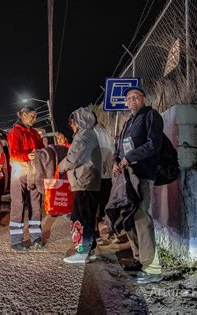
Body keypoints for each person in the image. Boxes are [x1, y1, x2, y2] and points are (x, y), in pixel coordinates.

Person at [113, 87, 163, 284]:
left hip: (143, 174)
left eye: (136, 97)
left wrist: (129, 158)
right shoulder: (128, 122)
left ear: (144, 99)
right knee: (129, 217)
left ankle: (152, 268)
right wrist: (116, 161)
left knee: (142, 217)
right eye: (129, 98)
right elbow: (119, 148)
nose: (132, 100)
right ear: (126, 103)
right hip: (128, 176)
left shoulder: (150, 115)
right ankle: (139, 259)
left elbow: (154, 144)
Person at [59, 107, 101, 263]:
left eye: (73, 123)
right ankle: (89, 251)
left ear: (79, 121)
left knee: (81, 217)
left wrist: (60, 166)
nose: (72, 126)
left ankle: (82, 252)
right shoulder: (92, 134)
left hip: (83, 181)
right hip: (90, 181)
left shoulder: (83, 136)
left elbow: (73, 159)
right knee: (88, 217)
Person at [7, 106, 45, 251]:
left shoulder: (35, 133)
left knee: (35, 205)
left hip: (34, 173)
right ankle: (16, 241)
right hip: (20, 174)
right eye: (32, 116)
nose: (35, 119)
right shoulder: (14, 132)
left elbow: (41, 149)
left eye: (35, 116)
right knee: (18, 205)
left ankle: (36, 238)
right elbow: (13, 154)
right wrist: (27, 155)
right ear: (23, 115)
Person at [93, 120, 115, 240]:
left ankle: (96, 231)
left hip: (96, 176)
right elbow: (112, 150)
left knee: (95, 205)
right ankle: (111, 230)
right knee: (107, 203)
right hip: (108, 175)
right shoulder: (106, 132)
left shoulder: (91, 133)